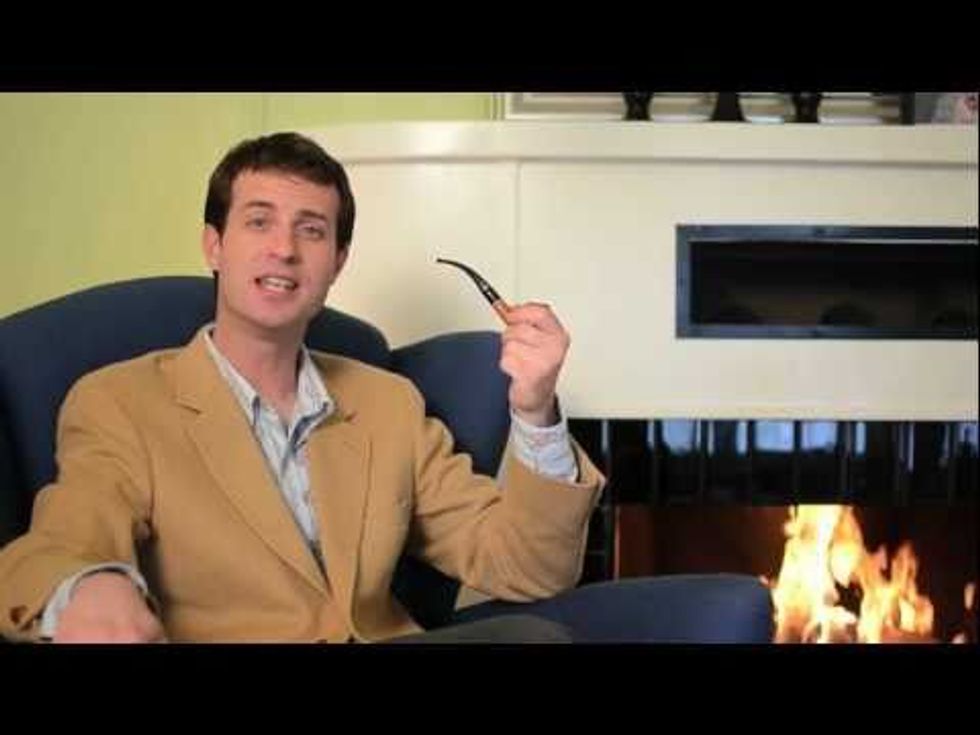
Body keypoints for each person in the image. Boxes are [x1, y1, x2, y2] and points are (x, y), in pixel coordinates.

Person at [0, 132, 604, 643]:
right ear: (214, 245)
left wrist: (535, 414)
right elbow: (67, 537)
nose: (284, 249)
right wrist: (87, 586)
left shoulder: (389, 404)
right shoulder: (119, 401)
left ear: (337, 261)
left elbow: (527, 567)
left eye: (311, 231)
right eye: (259, 221)